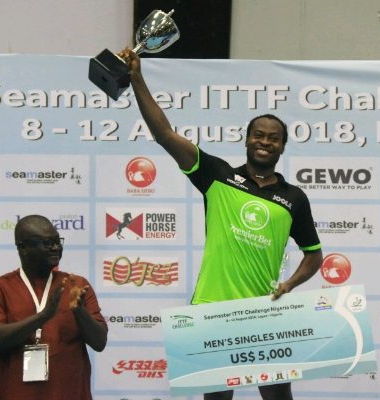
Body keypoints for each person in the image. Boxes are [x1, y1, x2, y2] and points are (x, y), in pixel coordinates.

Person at [120, 48, 323, 400]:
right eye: (258, 134)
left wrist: (289, 284)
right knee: (217, 398)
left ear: (283, 147)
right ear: (246, 140)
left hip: (265, 311)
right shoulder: (217, 175)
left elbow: (314, 255)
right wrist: (136, 78)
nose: (265, 141)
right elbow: (165, 134)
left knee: (278, 397)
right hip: (212, 309)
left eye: (273, 138)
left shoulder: (294, 198)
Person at [0, 215, 107, 400]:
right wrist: (43, 316)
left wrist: (79, 311)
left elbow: (99, 342)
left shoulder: (76, 285)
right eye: (47, 243)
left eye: (57, 241)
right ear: (23, 247)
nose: (56, 247)